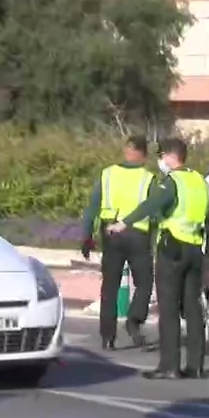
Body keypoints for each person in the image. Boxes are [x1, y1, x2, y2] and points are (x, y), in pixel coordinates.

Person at [108, 138, 209, 380]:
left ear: (169, 156)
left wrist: (123, 223)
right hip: (194, 251)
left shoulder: (172, 182)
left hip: (172, 249)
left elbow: (151, 204)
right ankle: (195, 366)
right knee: (193, 307)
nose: (160, 161)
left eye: (161, 156)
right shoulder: (200, 181)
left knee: (168, 309)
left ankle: (169, 366)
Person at [80, 135, 156, 349]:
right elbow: (155, 211)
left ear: (126, 151)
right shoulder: (148, 178)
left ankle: (107, 337)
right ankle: (134, 320)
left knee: (110, 287)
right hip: (138, 235)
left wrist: (86, 236)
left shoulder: (107, 174)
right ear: (142, 154)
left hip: (111, 233)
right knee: (144, 282)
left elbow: (92, 207)